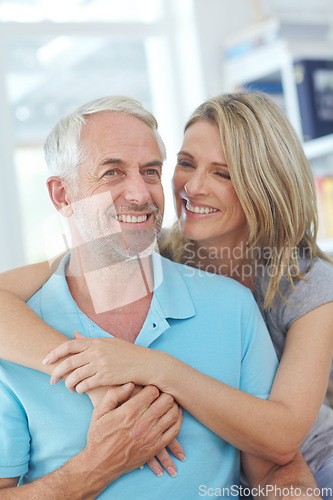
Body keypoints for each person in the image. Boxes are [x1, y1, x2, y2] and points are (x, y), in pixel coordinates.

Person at [0, 95, 325, 498]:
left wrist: (153, 368)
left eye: (150, 170)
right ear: (62, 196)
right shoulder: (18, 337)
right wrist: (96, 456)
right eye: (112, 172)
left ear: (260, 189)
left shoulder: (265, 297)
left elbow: (278, 452)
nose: (140, 193)